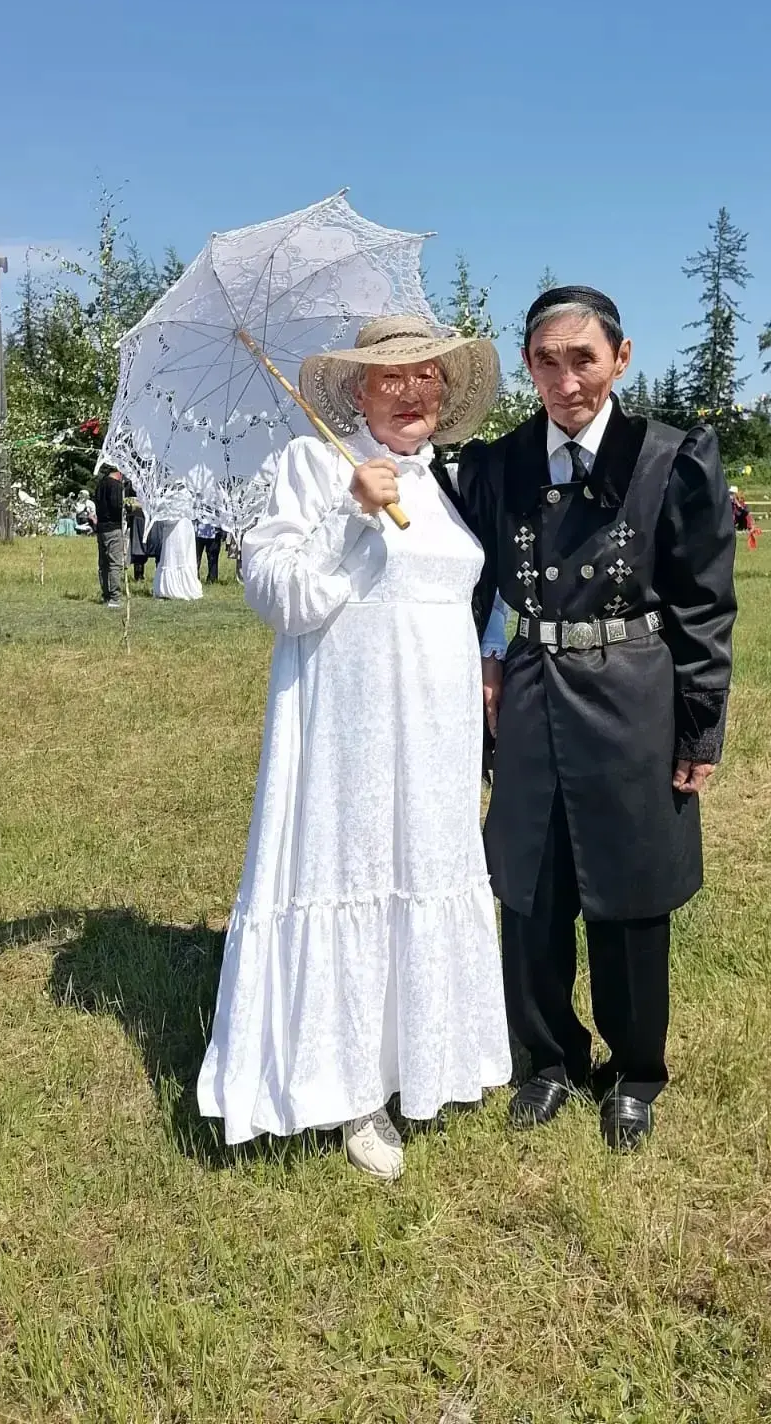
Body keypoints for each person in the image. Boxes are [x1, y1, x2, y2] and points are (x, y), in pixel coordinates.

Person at [198, 315, 510, 1177]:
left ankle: (427, 1057)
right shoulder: (312, 464)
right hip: (351, 725)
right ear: (357, 392)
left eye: (427, 376)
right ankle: (353, 1087)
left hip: (438, 726)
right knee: (358, 869)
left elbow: (478, 590)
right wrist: (350, 511)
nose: (411, 392)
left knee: (427, 865)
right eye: (390, 378)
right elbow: (279, 597)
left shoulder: (443, 482)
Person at [458, 285, 737, 1154]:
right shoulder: (498, 465)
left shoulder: (671, 460)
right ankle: (546, 1060)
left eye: (583, 358)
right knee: (529, 889)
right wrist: (486, 663)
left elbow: (703, 604)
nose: (566, 380)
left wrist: (700, 724)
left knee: (630, 888)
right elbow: (479, 582)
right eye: (547, 361)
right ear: (528, 366)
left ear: (620, 358)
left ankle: (634, 1073)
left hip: (633, 696)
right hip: (531, 690)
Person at [94, 466, 126, 608]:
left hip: (101, 527)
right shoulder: (115, 486)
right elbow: (117, 506)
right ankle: (115, 596)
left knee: (104, 564)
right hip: (113, 527)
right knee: (115, 563)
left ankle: (106, 594)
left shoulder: (100, 485)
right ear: (118, 473)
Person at [152, 516, 203, 601]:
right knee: (172, 556)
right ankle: (173, 587)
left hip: (180, 527)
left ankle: (180, 587)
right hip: (176, 526)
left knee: (178, 556)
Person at [125, 492, 152, 580]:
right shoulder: (131, 488)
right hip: (137, 518)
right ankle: (138, 575)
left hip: (149, 518)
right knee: (138, 549)